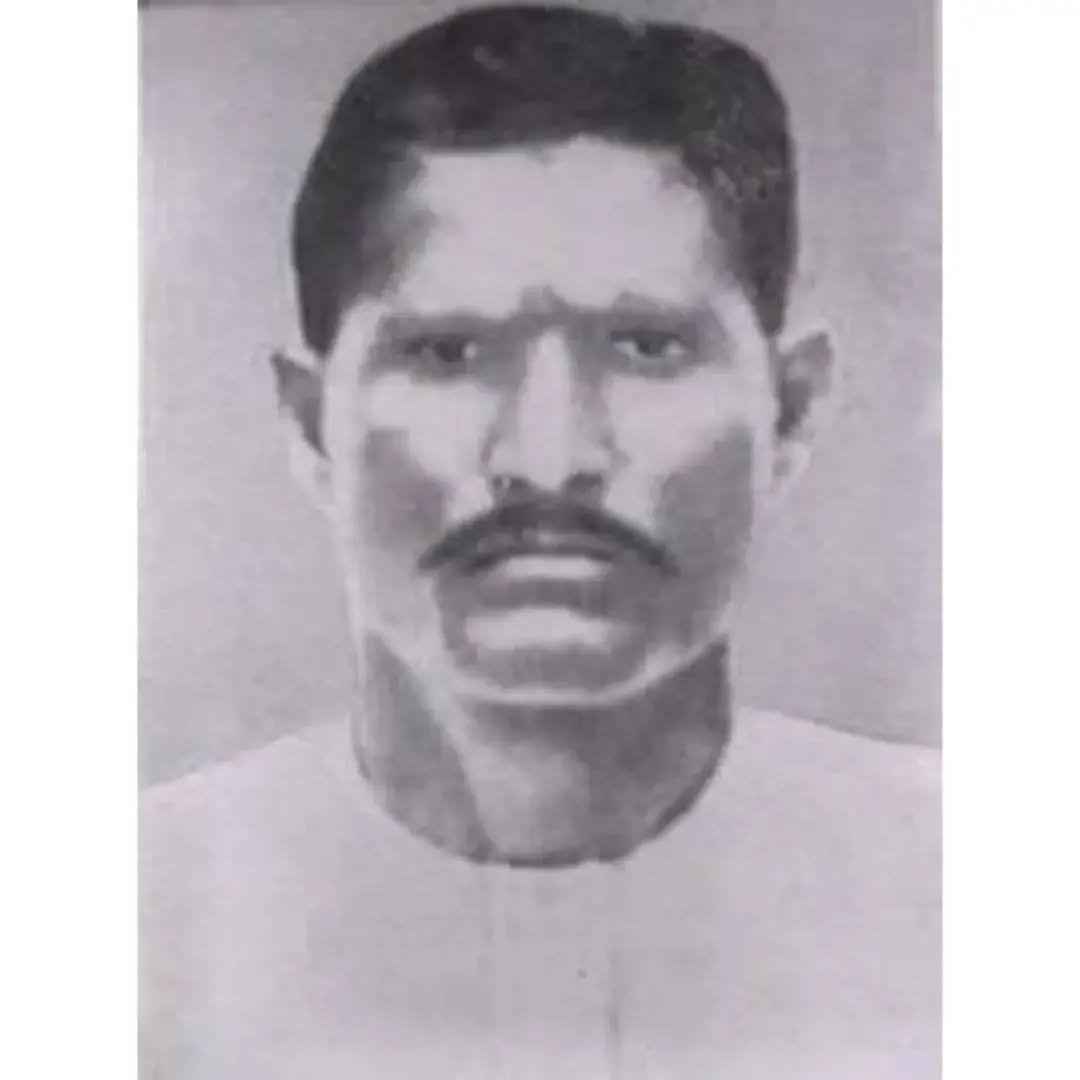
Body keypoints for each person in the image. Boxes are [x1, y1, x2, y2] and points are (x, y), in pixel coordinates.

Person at [140, 6, 940, 1077]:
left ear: (790, 409)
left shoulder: (981, 892)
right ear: (311, 421)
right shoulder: (129, 910)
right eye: (448, 352)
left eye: (648, 346)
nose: (551, 457)